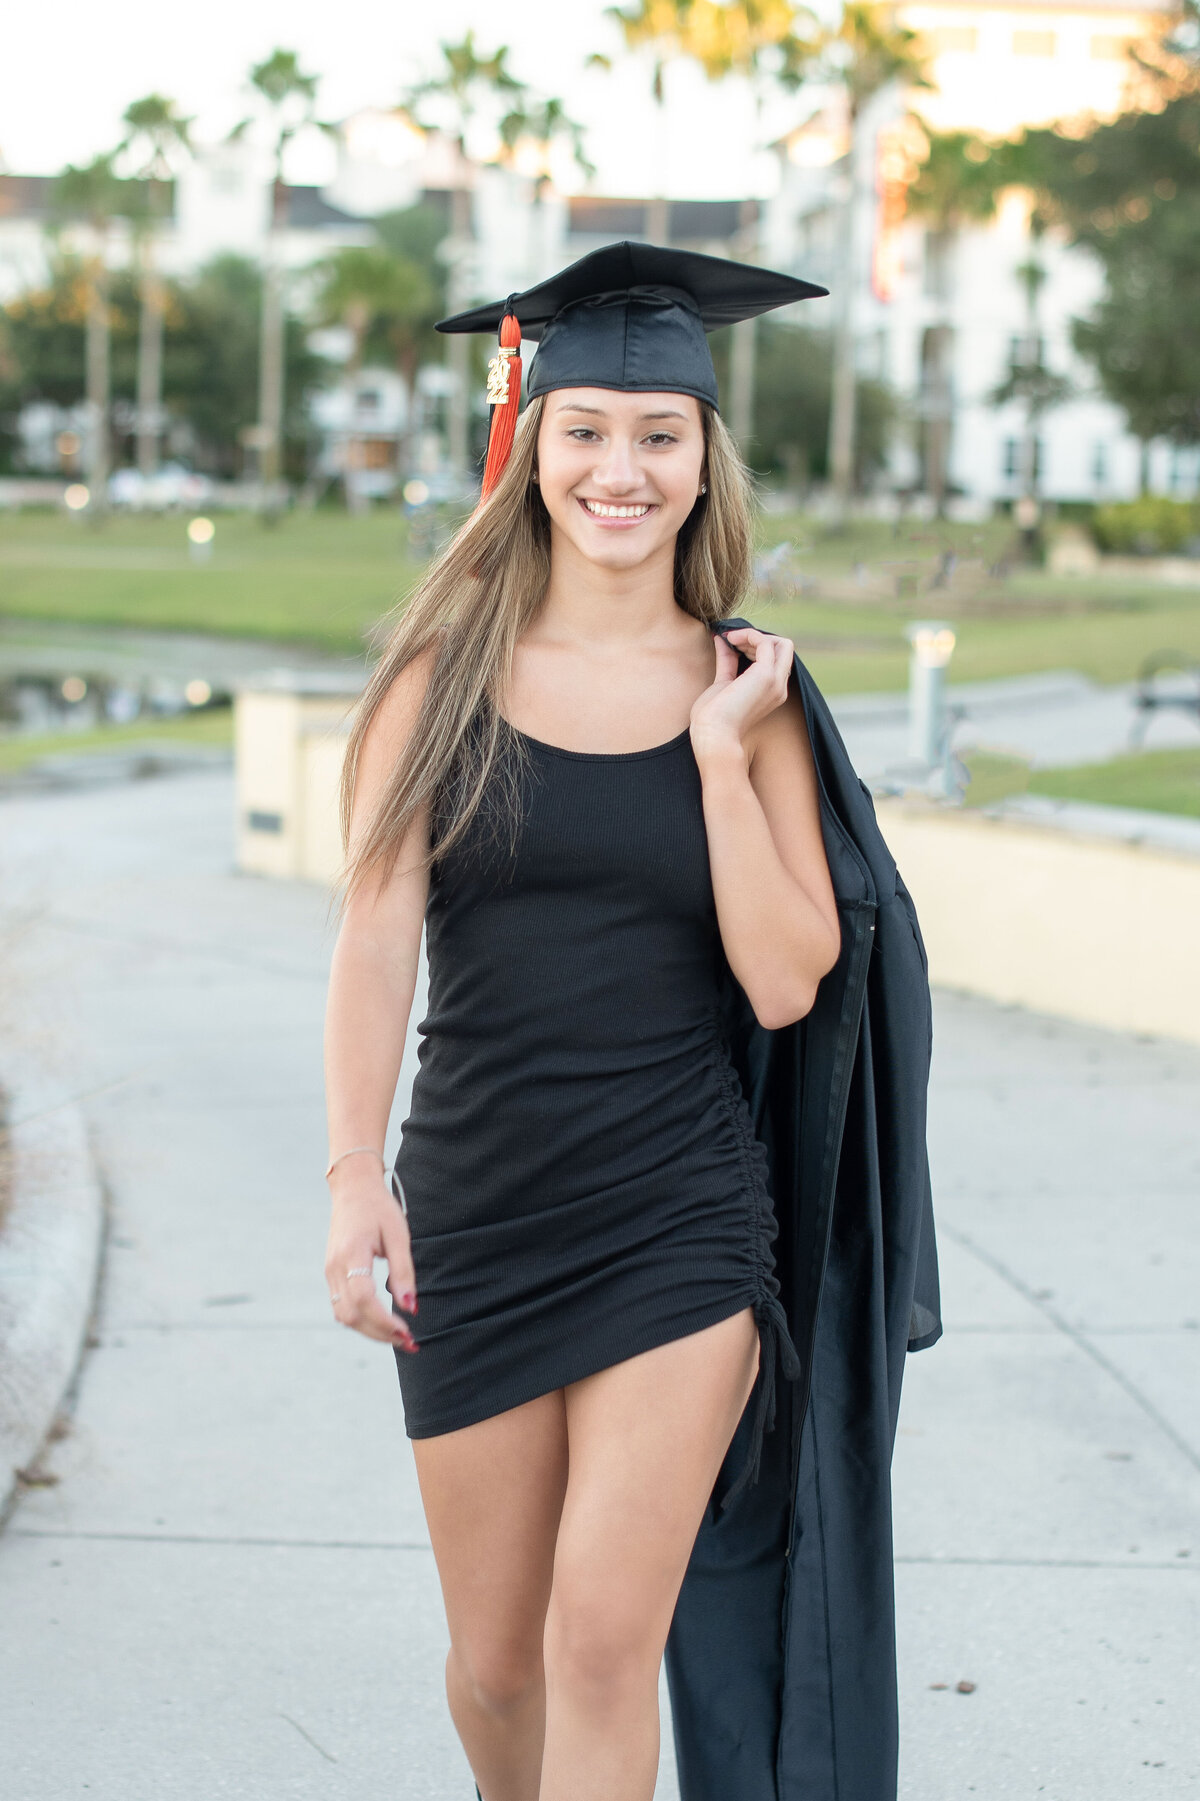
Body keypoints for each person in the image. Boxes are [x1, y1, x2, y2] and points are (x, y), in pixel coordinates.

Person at [322, 242, 940, 1801]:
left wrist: (721, 757)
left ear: (703, 458)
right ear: (532, 444)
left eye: (659, 435)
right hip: (477, 1201)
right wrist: (352, 1179)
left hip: (679, 1213)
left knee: (607, 1638)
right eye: (586, 428)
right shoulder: (439, 680)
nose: (622, 468)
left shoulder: (752, 691)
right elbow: (375, 936)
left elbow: (792, 977)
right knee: (498, 1661)